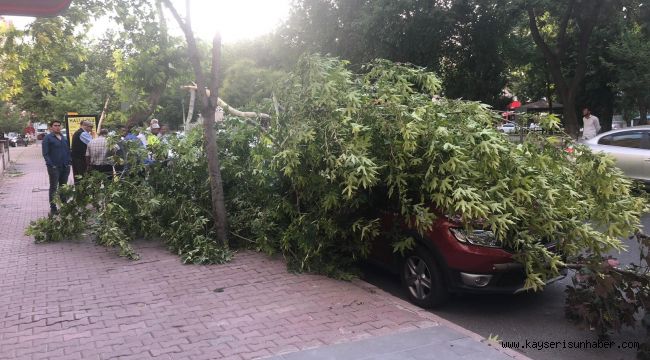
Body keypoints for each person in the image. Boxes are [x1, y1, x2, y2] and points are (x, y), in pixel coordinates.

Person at [42, 120, 71, 214]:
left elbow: (67, 151)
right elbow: (45, 154)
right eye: (55, 125)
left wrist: (69, 162)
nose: (57, 127)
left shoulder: (64, 137)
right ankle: (53, 208)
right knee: (54, 187)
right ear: (51, 127)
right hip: (54, 167)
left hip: (65, 166)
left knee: (63, 187)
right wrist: (51, 165)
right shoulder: (47, 138)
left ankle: (64, 205)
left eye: (59, 125)